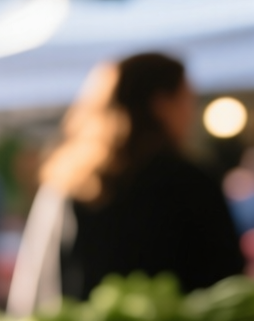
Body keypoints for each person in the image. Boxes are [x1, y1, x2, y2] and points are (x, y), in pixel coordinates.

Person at [41, 53, 243, 300]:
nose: (191, 114)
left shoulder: (74, 179)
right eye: (186, 101)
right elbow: (226, 281)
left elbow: (47, 279)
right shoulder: (190, 181)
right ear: (160, 105)